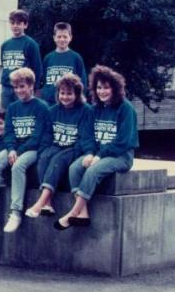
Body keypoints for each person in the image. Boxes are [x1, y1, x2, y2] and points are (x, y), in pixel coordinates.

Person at [55, 66, 139, 230]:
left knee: (93, 171)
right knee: (74, 168)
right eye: (99, 87)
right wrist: (90, 153)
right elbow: (87, 136)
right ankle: (83, 213)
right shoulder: (95, 109)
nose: (102, 91)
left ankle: (72, 213)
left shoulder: (126, 108)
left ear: (115, 88)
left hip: (121, 156)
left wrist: (99, 156)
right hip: (98, 154)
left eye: (106, 87)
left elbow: (123, 142)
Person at [0, 67, 51, 233]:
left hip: (33, 148)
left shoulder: (42, 107)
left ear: (31, 86)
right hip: (14, 148)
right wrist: (10, 149)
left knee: (18, 166)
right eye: (16, 87)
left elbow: (37, 136)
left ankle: (16, 212)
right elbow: (8, 133)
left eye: (22, 86)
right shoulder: (12, 108)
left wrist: (19, 151)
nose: (19, 90)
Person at [26, 73, 92, 218]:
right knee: (44, 158)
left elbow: (85, 137)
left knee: (57, 160)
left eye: (69, 93)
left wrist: (88, 152)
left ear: (77, 94)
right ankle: (48, 204)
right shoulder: (53, 111)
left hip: (75, 148)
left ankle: (40, 203)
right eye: (62, 93)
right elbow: (47, 135)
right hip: (57, 146)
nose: (65, 97)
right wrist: (44, 150)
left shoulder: (85, 110)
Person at [0, 9, 42, 108]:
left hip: (23, 87)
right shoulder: (5, 45)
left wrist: (33, 89)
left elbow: (37, 69)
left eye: (18, 23)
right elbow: (4, 65)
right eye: (13, 23)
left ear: (25, 25)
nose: (15, 26)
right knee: (6, 116)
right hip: (6, 87)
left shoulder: (31, 44)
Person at [40, 22, 88, 104]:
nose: (62, 39)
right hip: (49, 104)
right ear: (54, 38)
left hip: (68, 103)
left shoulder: (76, 58)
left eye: (65, 37)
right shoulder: (48, 58)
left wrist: (79, 101)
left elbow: (82, 83)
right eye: (59, 37)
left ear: (71, 38)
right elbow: (44, 80)